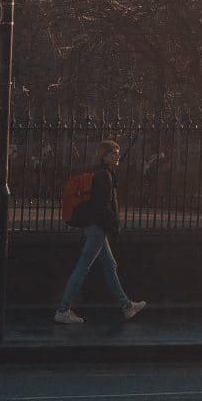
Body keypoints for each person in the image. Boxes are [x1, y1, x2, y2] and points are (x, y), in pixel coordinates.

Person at [54, 139, 147, 325]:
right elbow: (103, 206)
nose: (117, 155)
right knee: (83, 268)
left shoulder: (100, 173)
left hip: (95, 226)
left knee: (110, 265)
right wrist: (113, 226)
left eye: (118, 152)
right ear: (104, 156)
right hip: (98, 228)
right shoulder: (104, 176)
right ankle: (63, 310)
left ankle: (127, 306)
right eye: (113, 153)